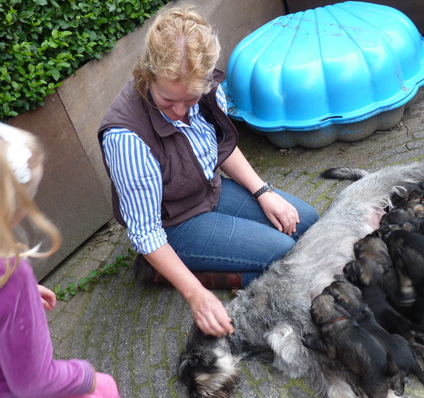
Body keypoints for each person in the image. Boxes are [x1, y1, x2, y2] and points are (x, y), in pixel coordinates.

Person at [98, 3, 319, 337]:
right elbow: (145, 231)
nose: (179, 111)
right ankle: (175, 272)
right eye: (167, 100)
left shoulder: (205, 88)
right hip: (175, 223)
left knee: (308, 222)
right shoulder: (126, 138)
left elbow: (219, 148)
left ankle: (222, 263)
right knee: (285, 254)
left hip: (208, 191)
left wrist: (263, 192)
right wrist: (196, 296)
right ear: (148, 74)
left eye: (189, 101)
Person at [0, 119, 140, 398]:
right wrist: (82, 373)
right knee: (98, 396)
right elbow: (32, 381)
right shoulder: (8, 276)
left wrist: (18, 299)